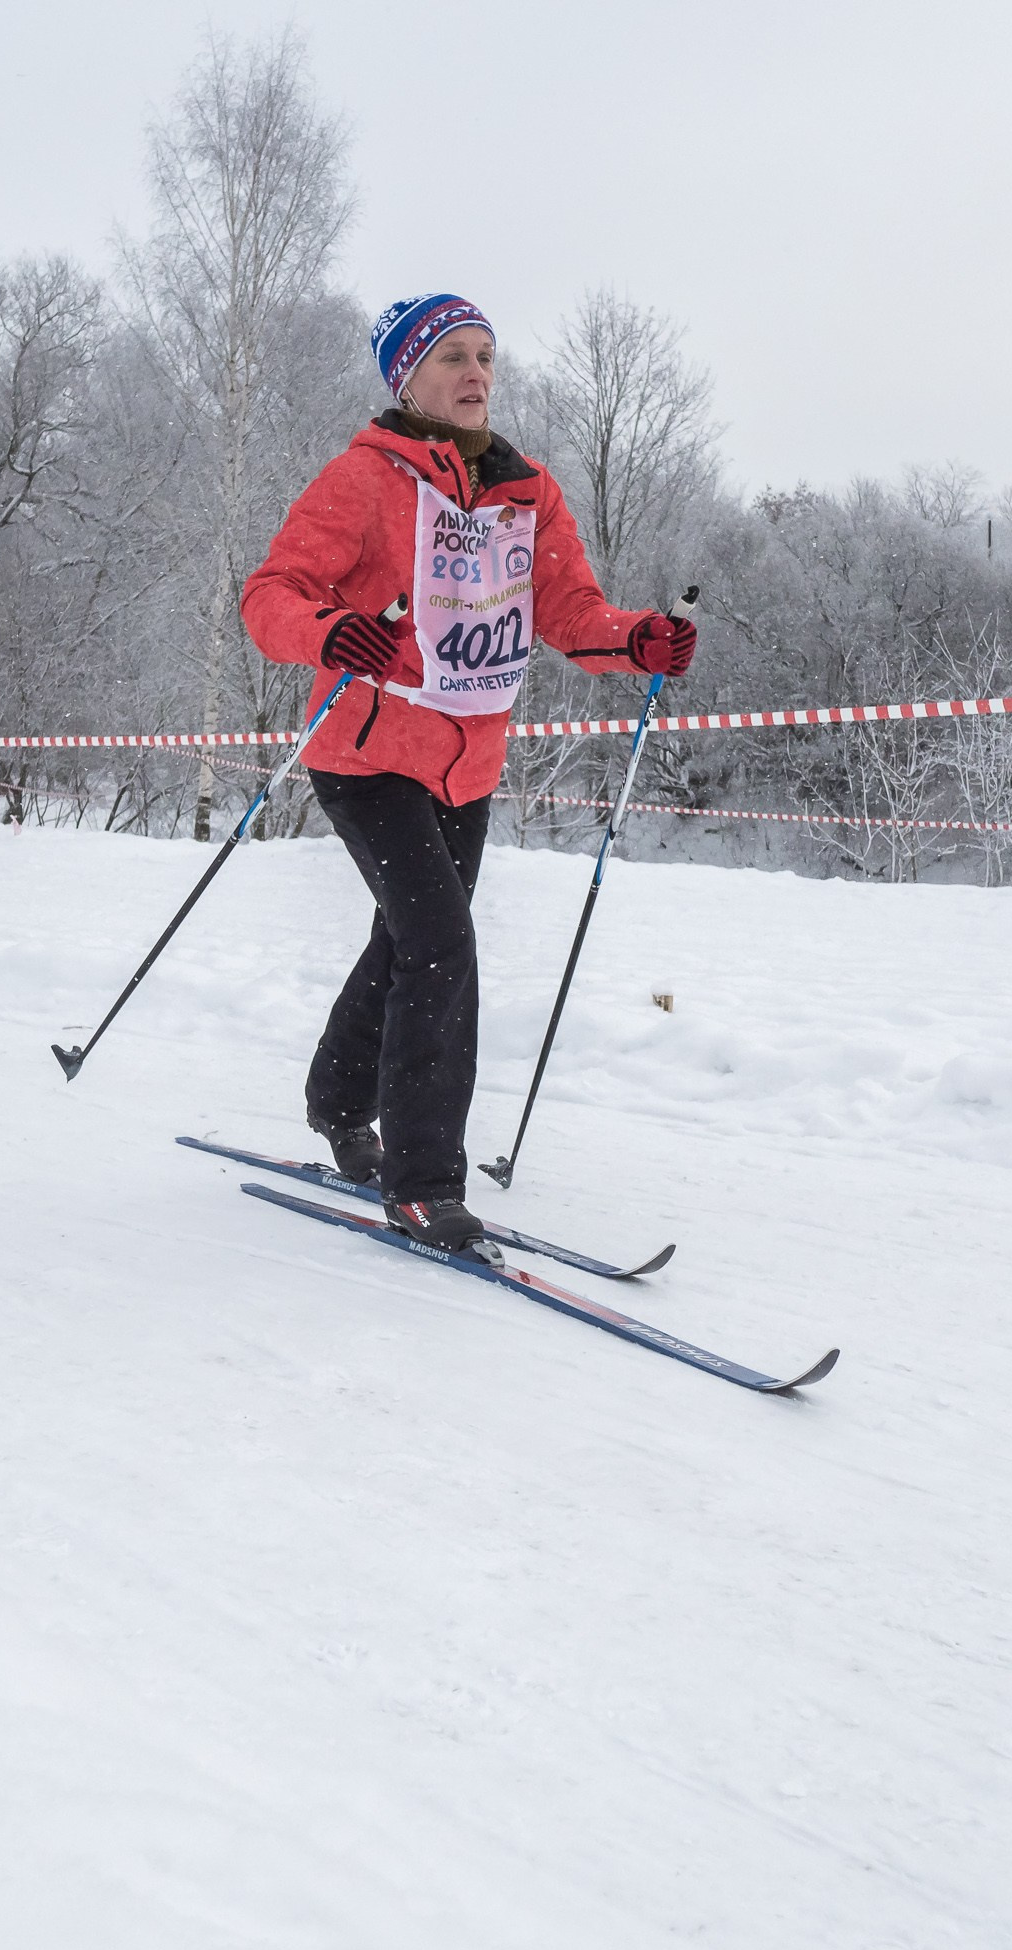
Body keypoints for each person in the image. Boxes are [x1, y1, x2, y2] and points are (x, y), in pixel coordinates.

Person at [240, 293, 696, 1260]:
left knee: (412, 939)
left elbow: (572, 611)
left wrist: (637, 640)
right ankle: (423, 1183)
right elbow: (271, 595)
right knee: (441, 942)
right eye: (453, 355)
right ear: (409, 376)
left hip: (467, 765)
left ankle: (334, 1100)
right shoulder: (364, 481)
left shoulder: (527, 491)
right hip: (367, 755)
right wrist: (331, 630)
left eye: (486, 354)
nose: (477, 373)